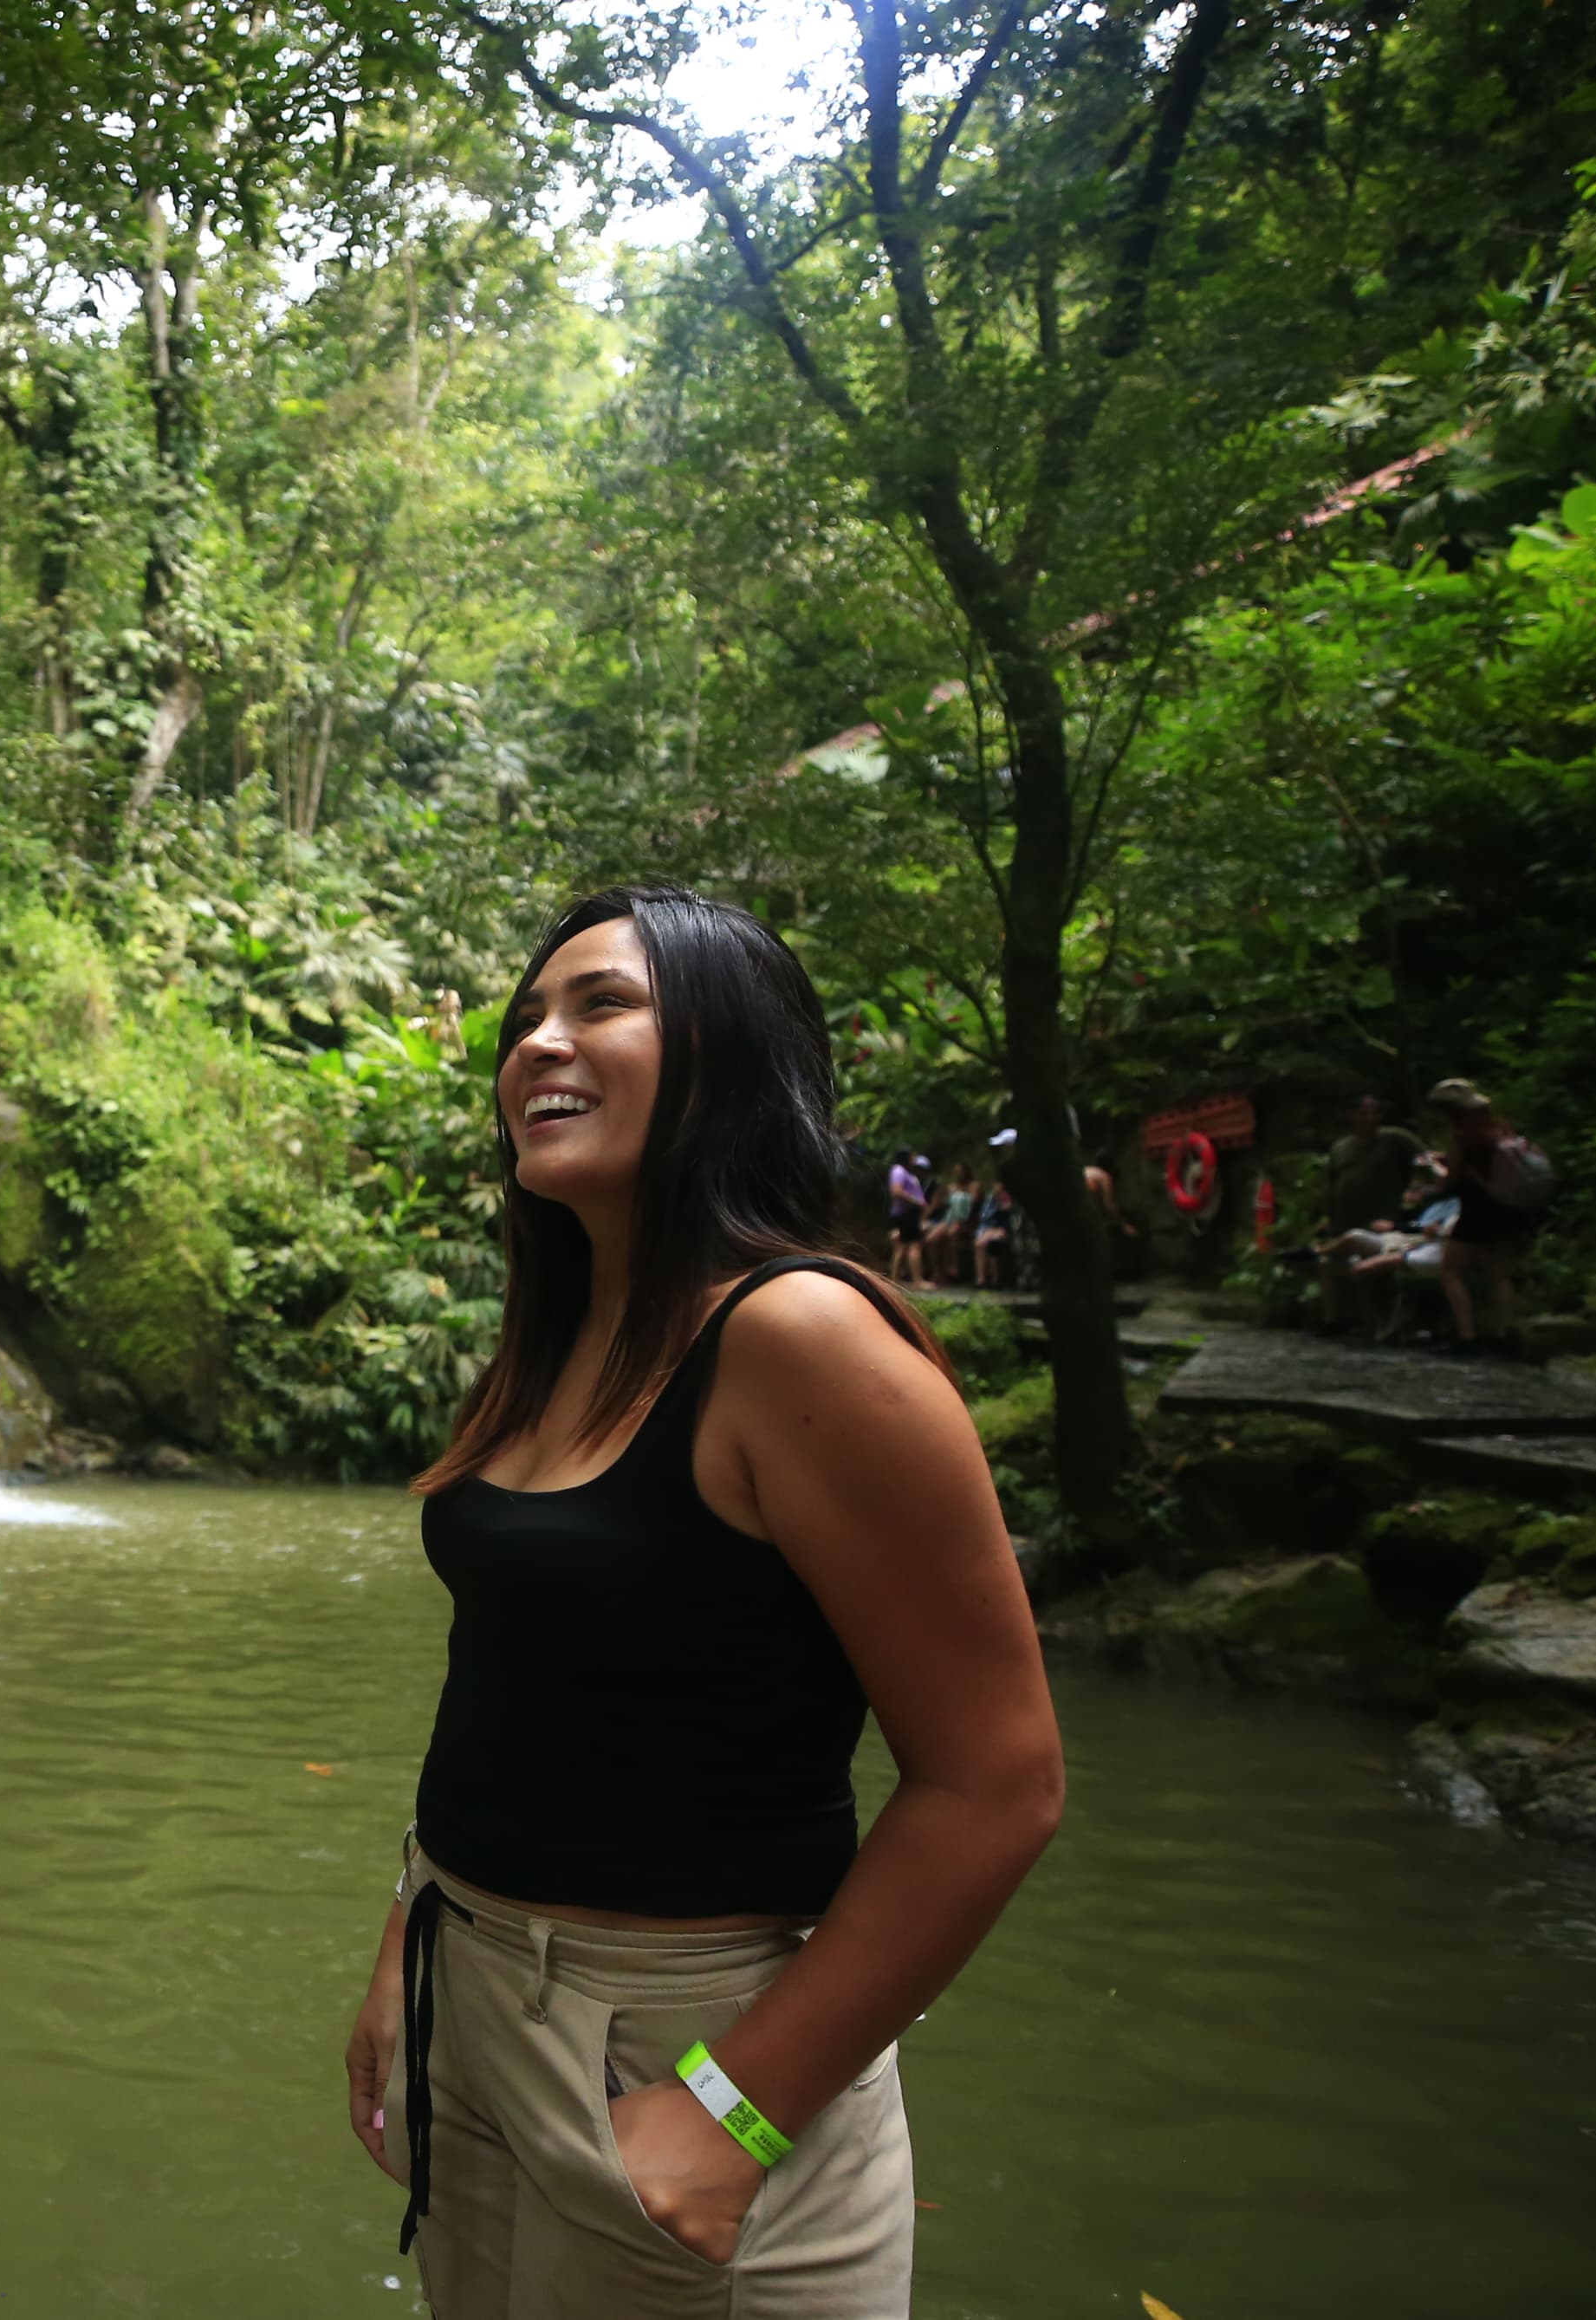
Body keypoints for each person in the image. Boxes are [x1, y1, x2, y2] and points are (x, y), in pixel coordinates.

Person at [342, 887, 1064, 2318]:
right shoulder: (567, 1332)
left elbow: (998, 1781)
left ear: (727, 1056)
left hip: (686, 2033)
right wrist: (404, 1944)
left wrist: (733, 2109)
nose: (540, 1041)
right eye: (525, 1020)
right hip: (469, 1983)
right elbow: (502, 1681)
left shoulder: (800, 1335)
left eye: (601, 1003)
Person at [1427, 1078, 1554, 1352]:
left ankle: (1466, 1336)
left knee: (1451, 1271)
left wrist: (1437, 1171)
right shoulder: (1499, 1128)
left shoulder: (1463, 1134)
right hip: (1509, 1207)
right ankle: (1505, 1333)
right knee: (1499, 1274)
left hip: (1478, 1210)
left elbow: (1453, 1181)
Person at [1320, 1095, 1428, 1332]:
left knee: (1366, 1265)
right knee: (1332, 1264)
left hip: (1386, 1222)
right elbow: (1332, 1183)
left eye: (1374, 1113)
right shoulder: (1341, 1148)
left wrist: (1410, 1203)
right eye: (1363, 1113)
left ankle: (1375, 1321)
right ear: (1351, 1116)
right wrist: (1328, 1216)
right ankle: (1336, 1319)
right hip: (1347, 1220)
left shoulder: (1395, 1140)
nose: (1369, 1119)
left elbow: (1427, 1165)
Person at [919, 1163, 975, 1283]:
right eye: (956, 1172)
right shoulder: (951, 1187)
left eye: (960, 1172)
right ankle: (937, 1271)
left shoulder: (973, 1186)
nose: (958, 1175)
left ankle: (953, 1265)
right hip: (948, 1219)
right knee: (930, 1240)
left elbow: (974, 1204)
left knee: (951, 1233)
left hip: (964, 1220)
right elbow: (942, 1203)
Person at [884, 1153, 930, 1283]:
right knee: (914, 1245)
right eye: (912, 1156)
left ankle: (895, 1279)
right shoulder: (899, 1171)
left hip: (909, 1214)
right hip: (907, 1214)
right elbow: (896, 1191)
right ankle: (918, 1280)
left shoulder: (905, 1172)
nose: (914, 1159)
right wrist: (917, 1202)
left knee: (902, 1246)